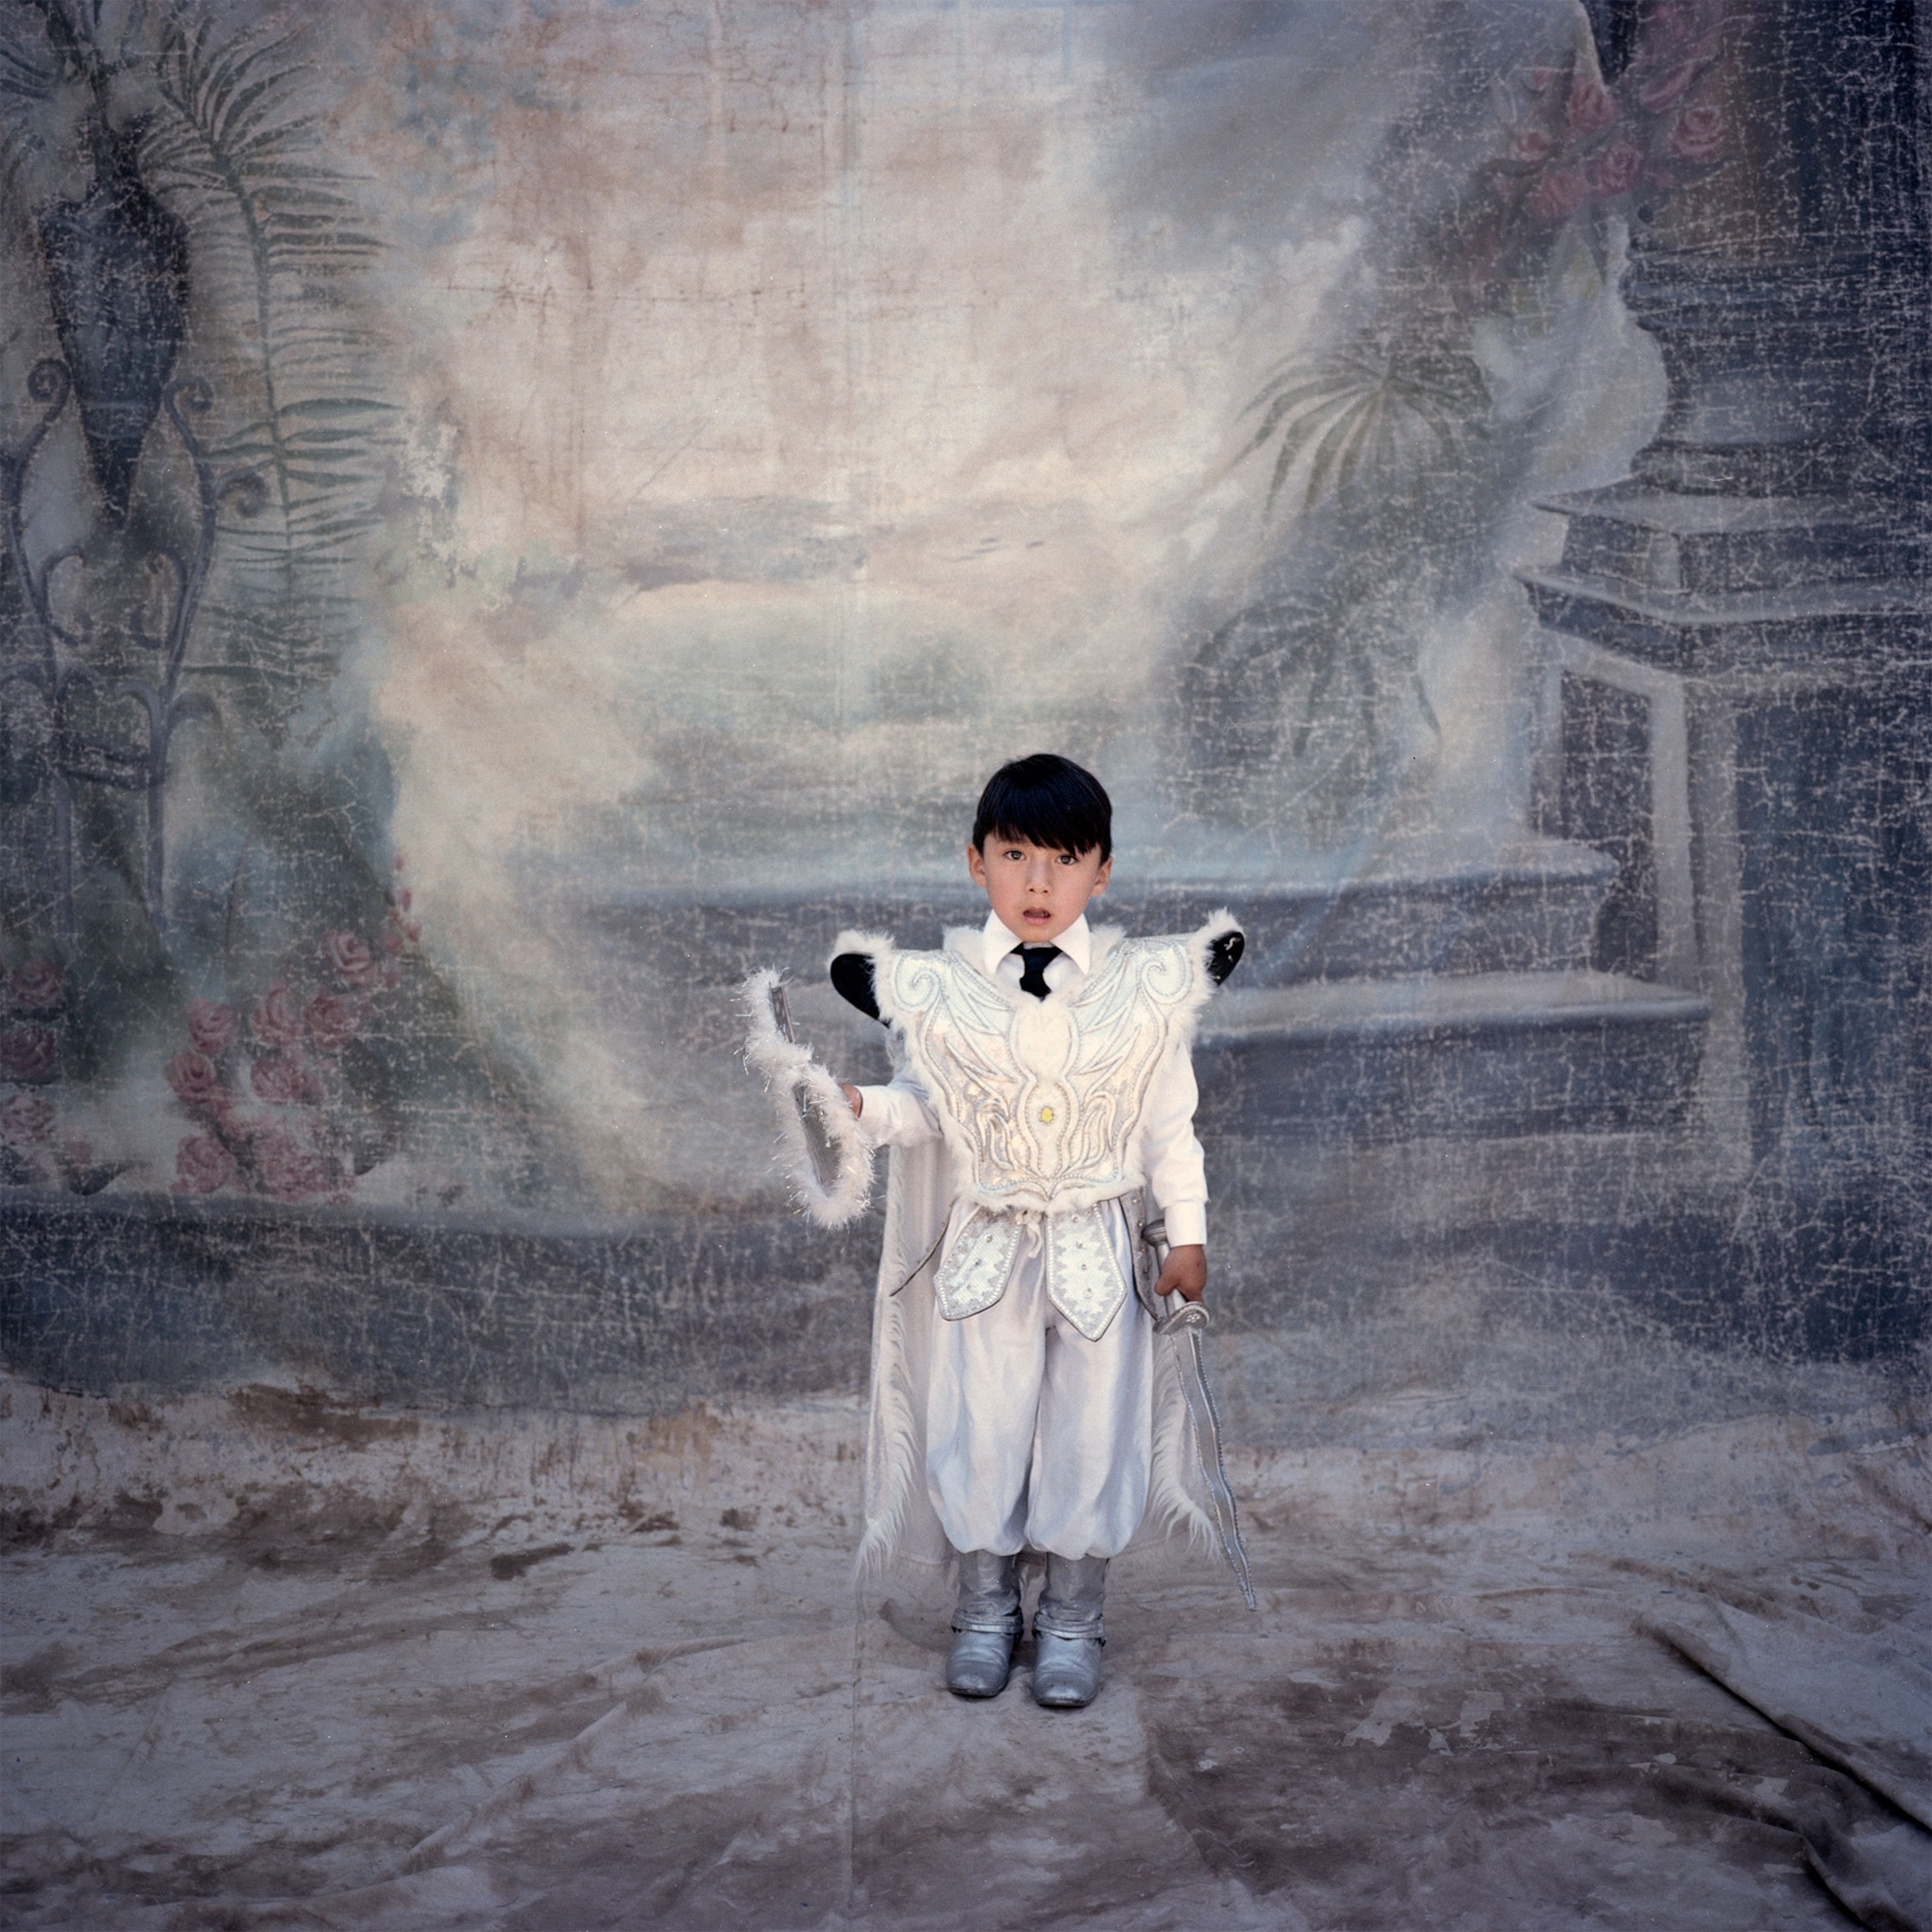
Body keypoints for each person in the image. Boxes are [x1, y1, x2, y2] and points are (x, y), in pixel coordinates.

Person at [828, 753, 1242, 1709]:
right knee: (985, 1422)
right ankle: (984, 1609)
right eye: (1016, 856)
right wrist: (862, 1108)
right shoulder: (942, 992)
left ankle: (1072, 1617)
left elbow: (1168, 1128)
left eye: (1065, 859)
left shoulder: (1144, 991)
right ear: (978, 862)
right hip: (988, 1249)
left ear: (1103, 872)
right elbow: (928, 1109)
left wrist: (1187, 1234)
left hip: (1097, 1248)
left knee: (1091, 1430)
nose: (1040, 883)